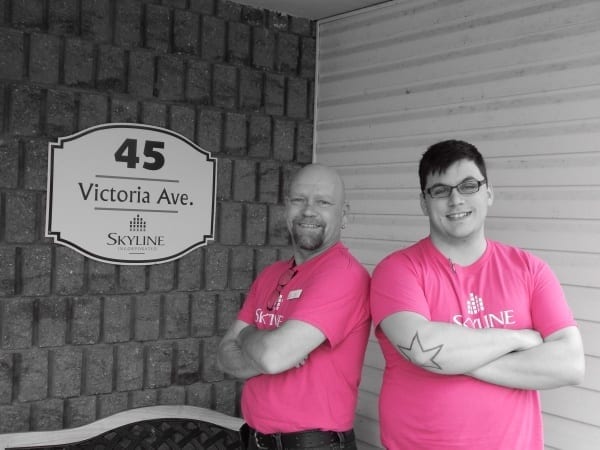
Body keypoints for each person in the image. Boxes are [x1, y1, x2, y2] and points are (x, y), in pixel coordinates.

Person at [370, 139, 585, 449]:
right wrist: (518, 339)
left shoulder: (530, 270)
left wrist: (454, 357)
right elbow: (422, 349)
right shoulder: (398, 270)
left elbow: (570, 364)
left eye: (468, 185)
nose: (455, 199)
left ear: (489, 192)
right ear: (423, 202)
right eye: (440, 190)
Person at [218, 163, 370, 450]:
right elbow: (224, 357)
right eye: (299, 200)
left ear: (344, 215)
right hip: (254, 439)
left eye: (323, 202)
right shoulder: (271, 275)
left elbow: (273, 357)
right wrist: (267, 351)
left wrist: (247, 336)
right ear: (286, 208)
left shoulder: (344, 275)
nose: (308, 211)